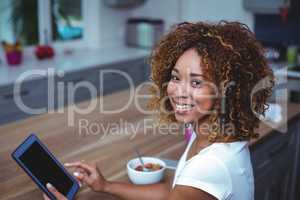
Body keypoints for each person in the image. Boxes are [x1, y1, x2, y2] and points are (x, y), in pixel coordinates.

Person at [43, 21, 274, 200]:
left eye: (196, 83)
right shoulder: (207, 134)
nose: (178, 91)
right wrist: (106, 186)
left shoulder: (211, 165)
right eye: (175, 77)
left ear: (226, 91)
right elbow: (172, 192)